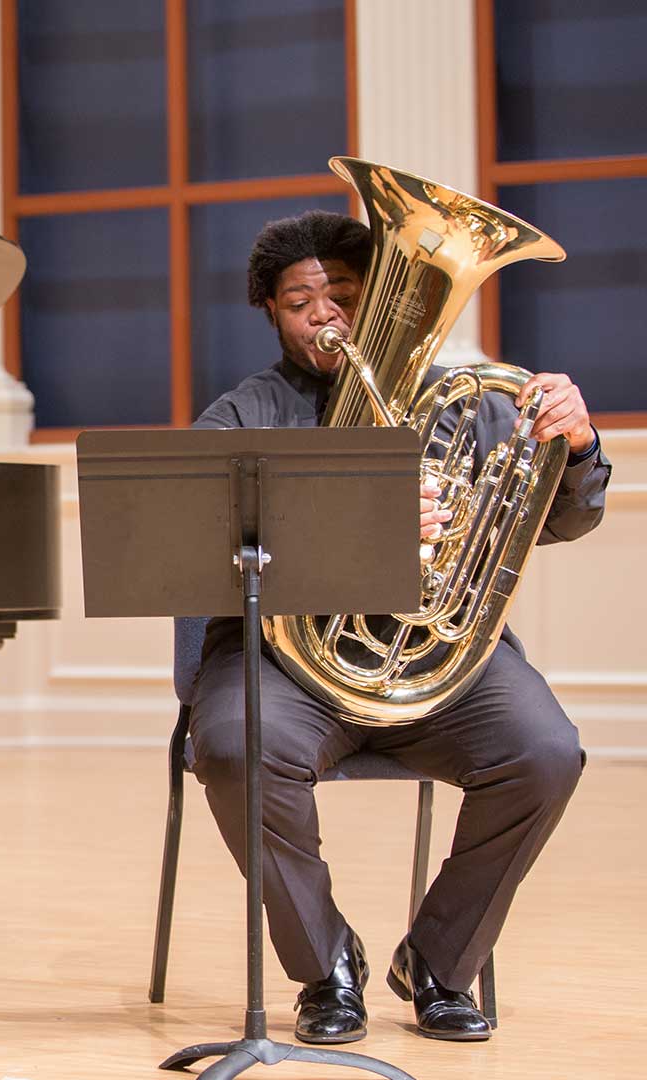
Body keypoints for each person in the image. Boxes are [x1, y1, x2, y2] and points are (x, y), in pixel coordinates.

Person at [188, 210, 609, 1044]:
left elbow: (559, 522)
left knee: (545, 752)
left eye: (341, 294)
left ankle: (441, 963)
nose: (324, 315)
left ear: (377, 299)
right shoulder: (242, 416)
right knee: (234, 748)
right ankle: (325, 963)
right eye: (299, 299)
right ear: (272, 312)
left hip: (436, 656)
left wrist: (580, 442)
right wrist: (355, 526)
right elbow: (198, 547)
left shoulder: (469, 404)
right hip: (285, 660)